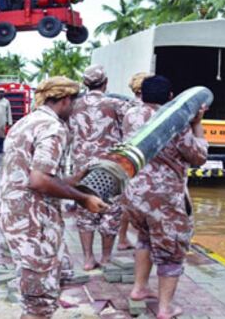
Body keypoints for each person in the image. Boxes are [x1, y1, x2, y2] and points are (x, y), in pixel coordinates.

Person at [0, 76, 109, 319]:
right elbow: (39, 181)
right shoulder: (53, 128)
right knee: (39, 303)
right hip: (32, 222)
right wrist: (82, 199)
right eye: (75, 103)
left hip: (20, 215)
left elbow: (35, 176)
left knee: (56, 279)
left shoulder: (26, 122)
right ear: (66, 100)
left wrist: (76, 179)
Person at [122, 75, 208, 319]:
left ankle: (139, 288)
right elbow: (198, 156)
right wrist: (197, 124)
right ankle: (165, 308)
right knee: (171, 250)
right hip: (164, 197)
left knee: (144, 238)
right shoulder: (176, 120)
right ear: (171, 97)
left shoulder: (131, 115)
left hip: (134, 193)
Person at [68, 65, 127, 270]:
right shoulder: (116, 104)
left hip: (82, 166)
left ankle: (87, 258)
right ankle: (106, 258)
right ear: (105, 82)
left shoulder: (73, 105)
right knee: (111, 209)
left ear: (85, 83)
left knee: (85, 209)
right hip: (110, 167)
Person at [116, 71, 151, 251]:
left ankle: (122, 238)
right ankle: (143, 240)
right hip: (146, 160)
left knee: (127, 201)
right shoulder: (152, 110)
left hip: (128, 160)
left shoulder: (126, 109)